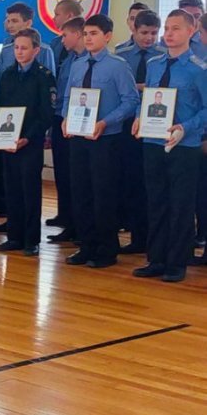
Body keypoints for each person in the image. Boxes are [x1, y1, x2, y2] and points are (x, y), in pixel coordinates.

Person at [133, 9, 207, 282]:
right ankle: (156, 258)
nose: (169, 33)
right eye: (168, 28)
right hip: (153, 141)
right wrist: (140, 117)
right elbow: (149, 97)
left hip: (183, 145)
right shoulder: (155, 64)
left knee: (181, 205)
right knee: (156, 201)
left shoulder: (199, 70)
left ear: (191, 30)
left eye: (176, 28)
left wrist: (186, 127)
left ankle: (176, 263)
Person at [62, 14, 140, 268]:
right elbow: (68, 97)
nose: (89, 38)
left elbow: (131, 101)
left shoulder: (117, 66)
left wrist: (105, 121)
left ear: (107, 36)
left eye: (94, 34)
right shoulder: (77, 64)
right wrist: (65, 118)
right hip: (78, 138)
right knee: (81, 192)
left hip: (105, 139)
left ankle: (106, 249)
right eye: (86, 34)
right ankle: (86, 246)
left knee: (103, 194)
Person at [0, 28, 56, 256]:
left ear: (36, 50)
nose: (19, 52)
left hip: (30, 142)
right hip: (8, 141)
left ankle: (31, 240)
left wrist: (27, 137)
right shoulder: (8, 74)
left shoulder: (43, 76)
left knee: (29, 190)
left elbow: (46, 113)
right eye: (16, 47)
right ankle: (14, 236)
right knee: (12, 189)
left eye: (24, 47)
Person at [114, 8, 163, 254]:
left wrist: (141, 86)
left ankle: (154, 238)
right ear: (134, 30)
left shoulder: (163, 56)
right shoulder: (121, 55)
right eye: (145, 32)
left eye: (154, 33)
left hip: (156, 123)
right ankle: (136, 235)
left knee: (150, 183)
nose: (149, 38)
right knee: (131, 181)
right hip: (127, 125)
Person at [47, 16, 86, 242]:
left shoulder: (88, 60)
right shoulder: (70, 60)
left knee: (80, 178)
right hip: (63, 120)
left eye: (65, 35)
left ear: (77, 34)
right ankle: (69, 222)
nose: (62, 40)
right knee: (64, 174)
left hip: (83, 124)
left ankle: (81, 227)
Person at [0, 2, 56, 74]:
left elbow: (49, 81)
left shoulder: (44, 51)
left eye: (14, 21)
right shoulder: (5, 51)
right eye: (8, 21)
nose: (10, 25)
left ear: (28, 23)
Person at [48, 0, 84, 70]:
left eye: (57, 14)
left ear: (69, 16)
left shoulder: (89, 46)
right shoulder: (55, 43)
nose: (53, 18)